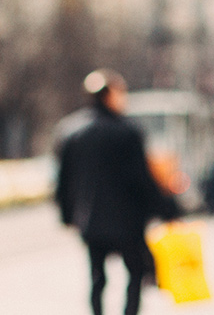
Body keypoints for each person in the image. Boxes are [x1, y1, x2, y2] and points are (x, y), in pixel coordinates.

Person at [56, 70, 182, 315]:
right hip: (127, 221)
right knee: (135, 273)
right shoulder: (127, 132)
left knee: (97, 277)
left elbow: (64, 181)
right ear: (110, 95)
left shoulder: (71, 132)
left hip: (90, 220)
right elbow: (142, 179)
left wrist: (68, 215)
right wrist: (168, 209)